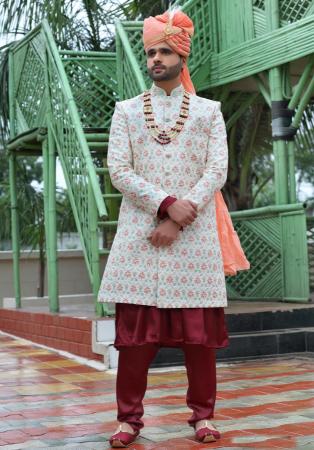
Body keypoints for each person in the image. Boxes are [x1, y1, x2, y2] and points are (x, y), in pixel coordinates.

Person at [97, 9, 249, 448]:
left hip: (194, 238)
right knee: (133, 342)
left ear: (182, 54)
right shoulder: (126, 111)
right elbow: (118, 170)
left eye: (165, 50)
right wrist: (165, 206)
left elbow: (216, 169)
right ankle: (128, 420)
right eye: (150, 52)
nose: (156, 59)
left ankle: (203, 417)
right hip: (141, 239)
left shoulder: (208, 111)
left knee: (198, 341)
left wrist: (183, 213)